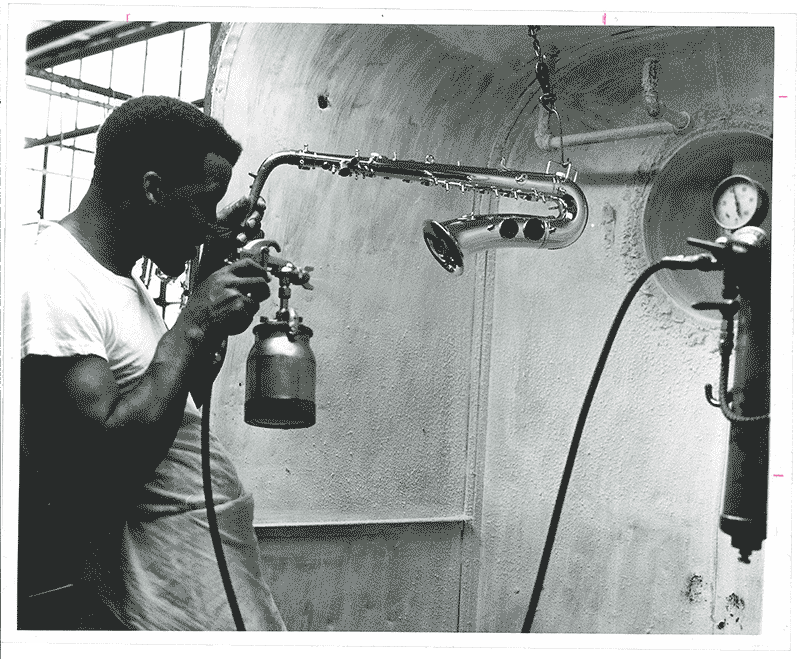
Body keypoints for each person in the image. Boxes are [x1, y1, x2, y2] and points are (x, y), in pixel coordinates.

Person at [18, 95, 287, 631]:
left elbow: (170, 404)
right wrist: (191, 321)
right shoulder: (53, 274)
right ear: (152, 188)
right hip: (154, 586)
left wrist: (210, 307)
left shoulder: (120, 280)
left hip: (200, 557)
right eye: (205, 203)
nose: (208, 223)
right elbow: (99, 465)